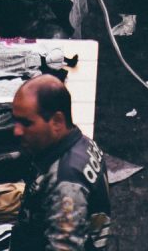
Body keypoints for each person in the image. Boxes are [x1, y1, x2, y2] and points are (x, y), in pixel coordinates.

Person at [15, 77, 108, 251]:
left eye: (27, 123)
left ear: (57, 121)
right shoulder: (84, 143)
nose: (17, 131)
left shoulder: (66, 184)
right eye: (16, 121)